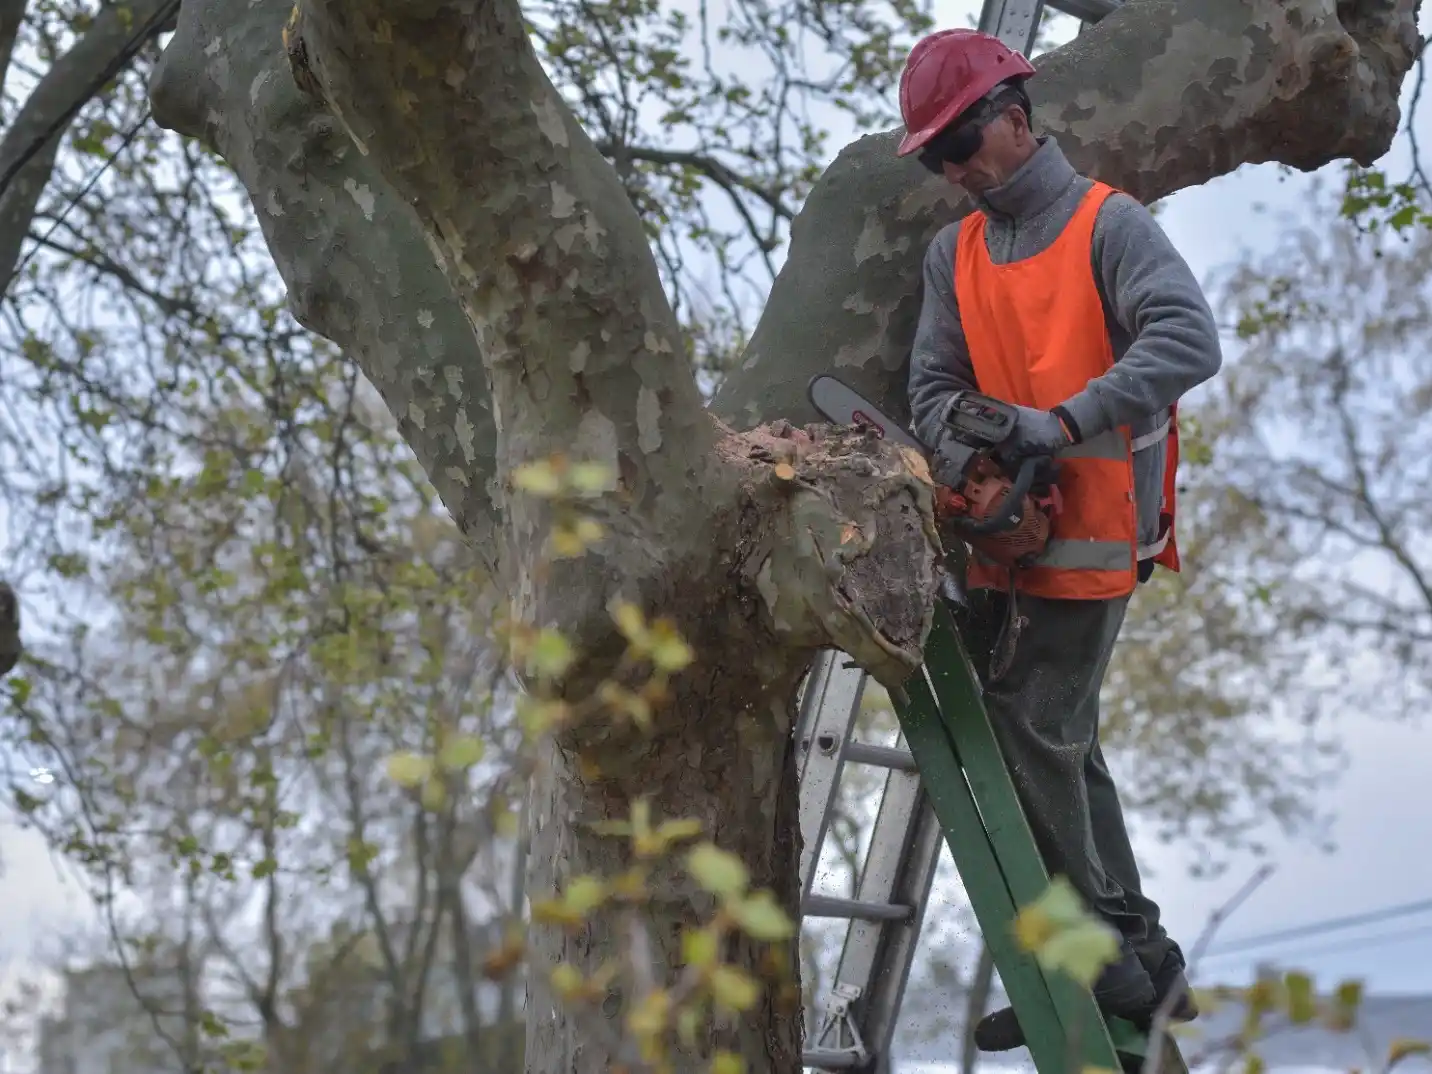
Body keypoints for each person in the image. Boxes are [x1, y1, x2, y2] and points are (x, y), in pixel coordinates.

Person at [897, 28, 1224, 1053]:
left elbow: (1187, 337)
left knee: (1026, 727)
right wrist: (971, 459)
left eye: (961, 145)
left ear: (1015, 116)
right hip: (1010, 531)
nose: (953, 171)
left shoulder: (1105, 225)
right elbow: (933, 387)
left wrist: (1060, 425)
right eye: (937, 157)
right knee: (1059, 742)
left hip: (1094, 529)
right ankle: (1141, 954)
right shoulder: (951, 253)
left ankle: (1095, 963)